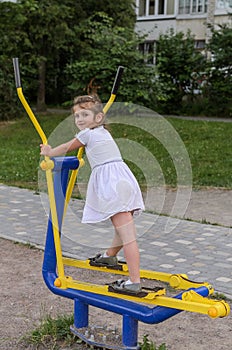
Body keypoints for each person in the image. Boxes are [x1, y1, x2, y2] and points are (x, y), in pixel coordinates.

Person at [40, 95, 145, 294]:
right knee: (122, 228)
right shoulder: (104, 132)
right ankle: (109, 255)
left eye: (85, 114)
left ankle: (134, 281)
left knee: (128, 236)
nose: (79, 119)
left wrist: (49, 151)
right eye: (76, 115)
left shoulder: (88, 134)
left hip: (113, 185)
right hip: (124, 182)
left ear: (98, 118)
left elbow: (66, 148)